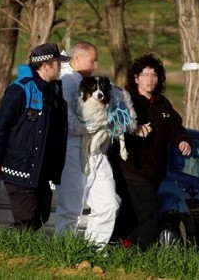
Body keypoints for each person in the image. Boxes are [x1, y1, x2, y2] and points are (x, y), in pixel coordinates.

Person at [0, 43, 69, 231]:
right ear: (46, 66)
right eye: (57, 63)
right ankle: (5, 253)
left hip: (41, 170)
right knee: (27, 217)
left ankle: (14, 250)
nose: (60, 67)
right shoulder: (20, 90)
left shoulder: (54, 92)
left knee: (41, 215)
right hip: (19, 167)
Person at [110, 54, 191, 250]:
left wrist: (182, 140)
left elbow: (176, 127)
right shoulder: (126, 99)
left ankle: (120, 249)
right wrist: (134, 129)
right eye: (145, 75)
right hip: (131, 169)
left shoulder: (162, 103)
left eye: (154, 75)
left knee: (130, 216)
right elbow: (114, 125)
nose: (150, 79)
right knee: (150, 218)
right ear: (136, 77)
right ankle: (142, 257)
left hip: (154, 173)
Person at [54, 41, 122, 248]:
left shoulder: (91, 83)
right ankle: (64, 252)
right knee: (71, 207)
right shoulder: (65, 82)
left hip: (96, 152)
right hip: (72, 151)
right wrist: (101, 122)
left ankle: (94, 250)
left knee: (109, 204)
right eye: (92, 60)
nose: (95, 65)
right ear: (77, 58)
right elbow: (69, 124)